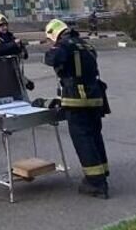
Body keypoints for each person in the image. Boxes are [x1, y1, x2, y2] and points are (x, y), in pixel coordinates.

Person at [42, 19, 111, 198]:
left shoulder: (64, 45)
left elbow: (51, 59)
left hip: (77, 99)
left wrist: (53, 49)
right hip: (95, 96)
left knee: (83, 138)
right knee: (95, 135)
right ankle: (102, 171)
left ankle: (95, 183)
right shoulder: (85, 44)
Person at [0, 13, 34, 90]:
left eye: (6, 25)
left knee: (27, 86)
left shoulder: (10, 36)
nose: (5, 27)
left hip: (13, 69)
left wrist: (21, 50)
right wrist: (13, 44)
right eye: (2, 26)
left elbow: (22, 52)